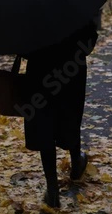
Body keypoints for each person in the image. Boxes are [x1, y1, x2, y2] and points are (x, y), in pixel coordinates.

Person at [20, 14, 99, 208]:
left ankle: (53, 189)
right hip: (71, 71)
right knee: (70, 117)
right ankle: (76, 164)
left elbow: (23, 48)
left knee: (44, 125)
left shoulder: (31, 9)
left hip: (40, 72)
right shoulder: (75, 4)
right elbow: (89, 42)